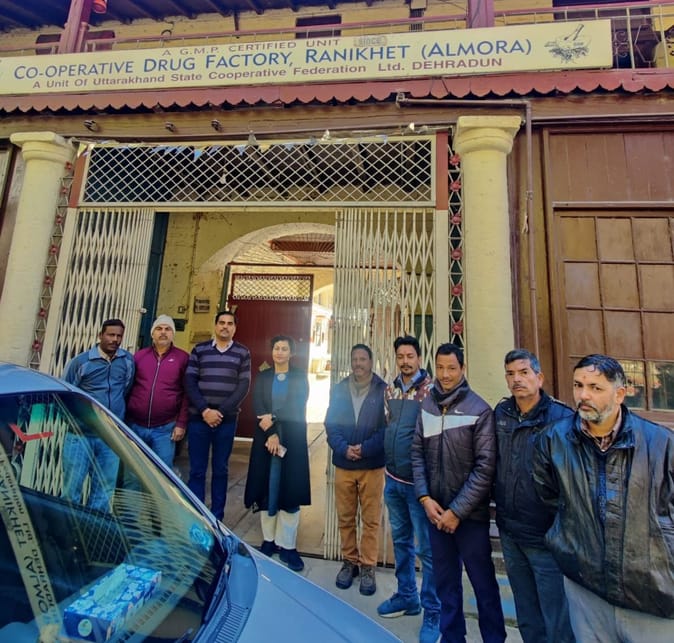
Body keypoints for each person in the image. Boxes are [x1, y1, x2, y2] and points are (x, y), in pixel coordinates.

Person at [533, 354, 674, 642]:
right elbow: (550, 497)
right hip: (585, 584)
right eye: (578, 385)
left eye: (595, 388)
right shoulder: (553, 440)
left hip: (651, 589)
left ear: (619, 394)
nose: (583, 395)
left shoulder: (661, 443)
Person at [411, 343, 506, 643]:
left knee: (483, 585)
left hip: (470, 518)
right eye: (440, 367)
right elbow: (417, 454)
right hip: (436, 514)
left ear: (463, 369)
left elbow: (485, 468)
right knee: (446, 584)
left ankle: (494, 638)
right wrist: (425, 498)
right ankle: (452, 637)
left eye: (451, 368)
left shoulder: (480, 410)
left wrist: (457, 512)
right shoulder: (427, 406)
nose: (445, 374)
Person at [493, 349, 574, 643]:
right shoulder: (501, 414)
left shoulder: (562, 419)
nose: (517, 379)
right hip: (510, 531)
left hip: (545, 536)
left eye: (524, 372)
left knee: (556, 616)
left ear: (539, 377)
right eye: (511, 374)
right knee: (526, 611)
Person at [377, 336, 440, 643]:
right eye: (400, 356)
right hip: (393, 480)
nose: (405, 361)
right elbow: (389, 424)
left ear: (419, 357)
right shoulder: (390, 390)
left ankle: (434, 610)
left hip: (420, 486)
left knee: (428, 550)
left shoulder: (431, 391)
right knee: (401, 542)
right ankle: (407, 596)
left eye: (410, 356)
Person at [244, 335, 311, 573]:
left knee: (289, 490)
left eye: (284, 349)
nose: (279, 352)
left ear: (291, 353)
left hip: (291, 437)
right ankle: (269, 540)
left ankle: (288, 546)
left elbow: (297, 403)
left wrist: (273, 420)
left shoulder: (299, 376)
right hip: (266, 439)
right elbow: (257, 403)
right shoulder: (263, 377)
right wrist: (271, 432)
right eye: (276, 348)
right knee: (267, 488)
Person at [325, 343, 386, 596]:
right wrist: (344, 448)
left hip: (371, 465)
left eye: (363, 359)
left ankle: (368, 566)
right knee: (346, 517)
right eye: (355, 359)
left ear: (371, 362)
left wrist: (365, 449)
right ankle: (349, 561)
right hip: (345, 464)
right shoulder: (340, 389)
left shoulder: (383, 389)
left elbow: (387, 428)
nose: (358, 363)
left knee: (370, 520)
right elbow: (330, 424)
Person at [61, 318, 135, 511]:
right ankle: (68, 528)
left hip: (110, 436)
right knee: (71, 491)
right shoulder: (81, 362)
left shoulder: (127, 361)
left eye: (119, 336)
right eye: (111, 335)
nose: (115, 339)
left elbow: (125, 388)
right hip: (80, 436)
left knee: (104, 492)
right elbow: (66, 393)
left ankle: (94, 529)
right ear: (100, 335)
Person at [184, 310, 251, 521]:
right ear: (215, 325)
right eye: (221, 322)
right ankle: (197, 516)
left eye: (230, 323)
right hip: (199, 419)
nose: (225, 326)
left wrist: (220, 412)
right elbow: (189, 382)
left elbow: (243, 386)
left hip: (226, 421)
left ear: (235, 328)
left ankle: (216, 518)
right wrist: (205, 410)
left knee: (221, 469)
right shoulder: (199, 350)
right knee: (197, 470)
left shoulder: (242, 353)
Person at [125, 314, 189, 470]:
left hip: (165, 428)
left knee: (162, 472)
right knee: (133, 472)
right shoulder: (139, 356)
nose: (163, 332)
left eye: (168, 329)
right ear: (152, 333)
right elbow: (128, 386)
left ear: (173, 334)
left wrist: (181, 424)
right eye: (159, 329)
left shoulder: (183, 358)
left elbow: (187, 394)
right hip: (136, 426)